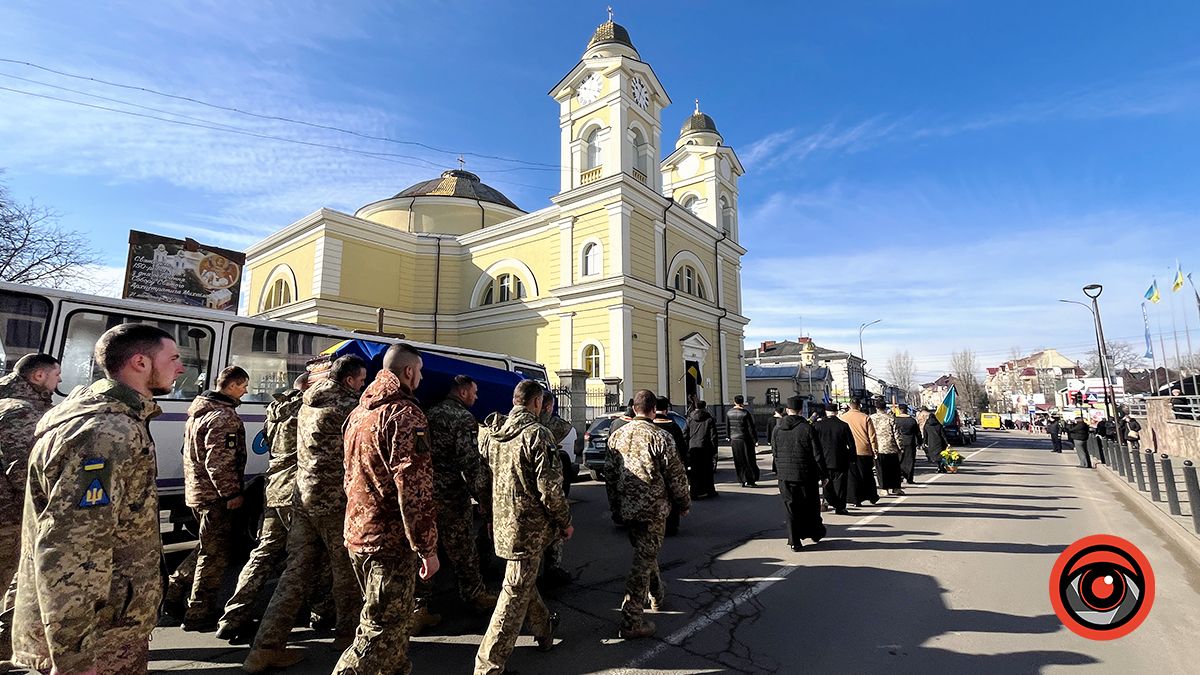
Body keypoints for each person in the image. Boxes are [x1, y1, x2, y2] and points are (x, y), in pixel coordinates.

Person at [12, 324, 184, 674]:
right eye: (174, 358)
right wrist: (75, 658)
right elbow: (72, 549)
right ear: (140, 363)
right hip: (101, 636)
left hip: (108, 622)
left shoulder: (106, 418)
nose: (180, 367)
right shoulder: (107, 432)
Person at [244, 355, 368, 672]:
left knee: (294, 574)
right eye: (362, 379)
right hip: (335, 501)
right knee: (346, 572)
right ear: (351, 380)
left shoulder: (306, 402)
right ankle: (346, 635)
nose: (364, 384)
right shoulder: (349, 407)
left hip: (303, 499)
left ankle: (265, 648)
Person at [327, 344, 440, 675]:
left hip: (359, 533)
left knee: (391, 628)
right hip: (388, 543)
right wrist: (426, 548)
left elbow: (347, 474)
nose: (421, 378)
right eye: (419, 372)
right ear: (408, 372)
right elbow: (414, 490)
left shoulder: (359, 413)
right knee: (379, 634)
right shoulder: (405, 416)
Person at [217, 373, 327, 644]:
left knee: (263, 553)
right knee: (308, 555)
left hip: (274, 486)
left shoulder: (275, 409)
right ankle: (320, 611)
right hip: (295, 488)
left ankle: (234, 614)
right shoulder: (306, 410)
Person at [475, 380, 572, 674]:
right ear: (536, 403)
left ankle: (544, 629)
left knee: (521, 582)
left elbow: (483, 481)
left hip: (504, 526)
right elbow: (551, 490)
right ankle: (489, 665)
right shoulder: (537, 434)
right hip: (528, 530)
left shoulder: (493, 435)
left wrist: (490, 518)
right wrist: (565, 522)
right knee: (513, 594)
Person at [166, 365, 251, 631]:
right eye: (244, 386)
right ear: (233, 385)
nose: (246, 391)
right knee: (213, 556)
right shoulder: (223, 417)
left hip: (198, 492)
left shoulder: (198, 413)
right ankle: (198, 611)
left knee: (207, 547)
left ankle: (176, 586)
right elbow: (219, 462)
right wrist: (232, 493)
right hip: (216, 497)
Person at [605, 390, 690, 639]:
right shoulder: (660, 437)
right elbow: (675, 475)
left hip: (628, 509)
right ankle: (631, 619)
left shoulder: (617, 435)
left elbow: (609, 476)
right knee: (642, 562)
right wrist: (683, 502)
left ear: (633, 409)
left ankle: (657, 595)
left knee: (645, 553)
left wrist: (615, 507)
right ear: (653, 410)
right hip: (653, 510)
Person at [0, 354, 61, 659]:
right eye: (56, 375)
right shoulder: (22, 413)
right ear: (38, 377)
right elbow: (24, 472)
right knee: (10, 578)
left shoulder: (6, 402)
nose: (59, 381)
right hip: (9, 514)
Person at [422, 375, 497, 612]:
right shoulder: (463, 419)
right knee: (463, 547)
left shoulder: (428, 413)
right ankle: (474, 595)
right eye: (474, 392)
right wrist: (485, 502)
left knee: (427, 548)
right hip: (451, 495)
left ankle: (420, 605)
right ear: (463, 392)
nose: (476, 397)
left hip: (426, 492)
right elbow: (470, 464)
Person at [772, 396, 827, 550]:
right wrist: (823, 475)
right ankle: (815, 532)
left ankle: (794, 540)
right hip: (805, 474)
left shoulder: (777, 429)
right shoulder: (807, 428)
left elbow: (774, 452)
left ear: (787, 410)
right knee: (810, 505)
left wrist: (779, 470)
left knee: (791, 508)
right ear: (801, 410)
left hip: (784, 476)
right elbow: (817, 454)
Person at [538, 389, 576, 587]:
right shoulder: (547, 430)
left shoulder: (509, 426)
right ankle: (552, 570)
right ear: (546, 406)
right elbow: (566, 428)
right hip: (545, 495)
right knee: (553, 532)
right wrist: (564, 519)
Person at [652, 396, 688, 536]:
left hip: (653, 471)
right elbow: (682, 449)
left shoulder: (651, 426)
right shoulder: (673, 426)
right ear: (667, 409)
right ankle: (671, 525)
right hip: (670, 469)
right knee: (671, 496)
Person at [812, 403, 854, 515]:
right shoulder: (843, 425)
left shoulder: (817, 426)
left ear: (826, 412)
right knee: (840, 485)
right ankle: (840, 507)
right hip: (840, 460)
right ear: (836, 412)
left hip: (823, 460)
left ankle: (825, 502)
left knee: (826, 483)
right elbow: (851, 444)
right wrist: (852, 458)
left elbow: (813, 444)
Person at [842, 400, 879, 506]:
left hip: (849, 450)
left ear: (849, 405)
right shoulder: (865, 417)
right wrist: (874, 449)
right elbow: (872, 435)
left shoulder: (843, 418)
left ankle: (854, 498)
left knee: (852, 476)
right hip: (864, 449)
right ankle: (871, 496)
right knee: (867, 474)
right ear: (859, 406)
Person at [685, 400, 718, 499]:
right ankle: (709, 491)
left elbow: (685, 434)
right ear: (705, 407)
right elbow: (713, 436)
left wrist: (687, 447)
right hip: (706, 448)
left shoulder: (690, 419)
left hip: (693, 448)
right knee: (707, 471)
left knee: (694, 472)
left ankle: (694, 493)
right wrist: (714, 450)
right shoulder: (709, 419)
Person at [870, 402, 905, 496]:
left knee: (881, 469)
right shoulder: (890, 418)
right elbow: (896, 433)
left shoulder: (871, 418)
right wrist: (900, 446)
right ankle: (896, 487)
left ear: (876, 408)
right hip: (891, 447)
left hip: (877, 447)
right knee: (894, 469)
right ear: (885, 408)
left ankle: (884, 488)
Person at [726, 395, 759, 487]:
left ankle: (741, 480)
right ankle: (751, 480)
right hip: (745, 439)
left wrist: (728, 436)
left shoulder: (729, 413)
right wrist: (755, 440)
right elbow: (750, 428)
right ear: (743, 402)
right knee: (749, 459)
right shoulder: (745, 413)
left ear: (734, 402)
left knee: (738, 460)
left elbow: (727, 426)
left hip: (734, 439)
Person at [893, 403, 922, 484]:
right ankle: (909, 478)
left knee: (899, 460)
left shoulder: (895, 420)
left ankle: (900, 476)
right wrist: (920, 442)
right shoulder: (912, 420)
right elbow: (917, 433)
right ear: (907, 410)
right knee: (910, 460)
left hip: (898, 441)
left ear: (899, 410)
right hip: (910, 441)